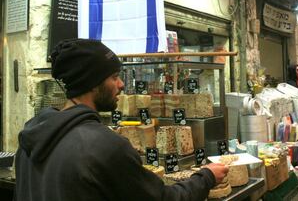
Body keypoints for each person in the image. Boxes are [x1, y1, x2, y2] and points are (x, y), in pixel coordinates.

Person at [14, 39, 229, 201]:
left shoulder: (30, 138)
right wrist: (206, 177)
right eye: (114, 77)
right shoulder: (104, 146)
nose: (121, 85)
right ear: (92, 82)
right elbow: (162, 199)